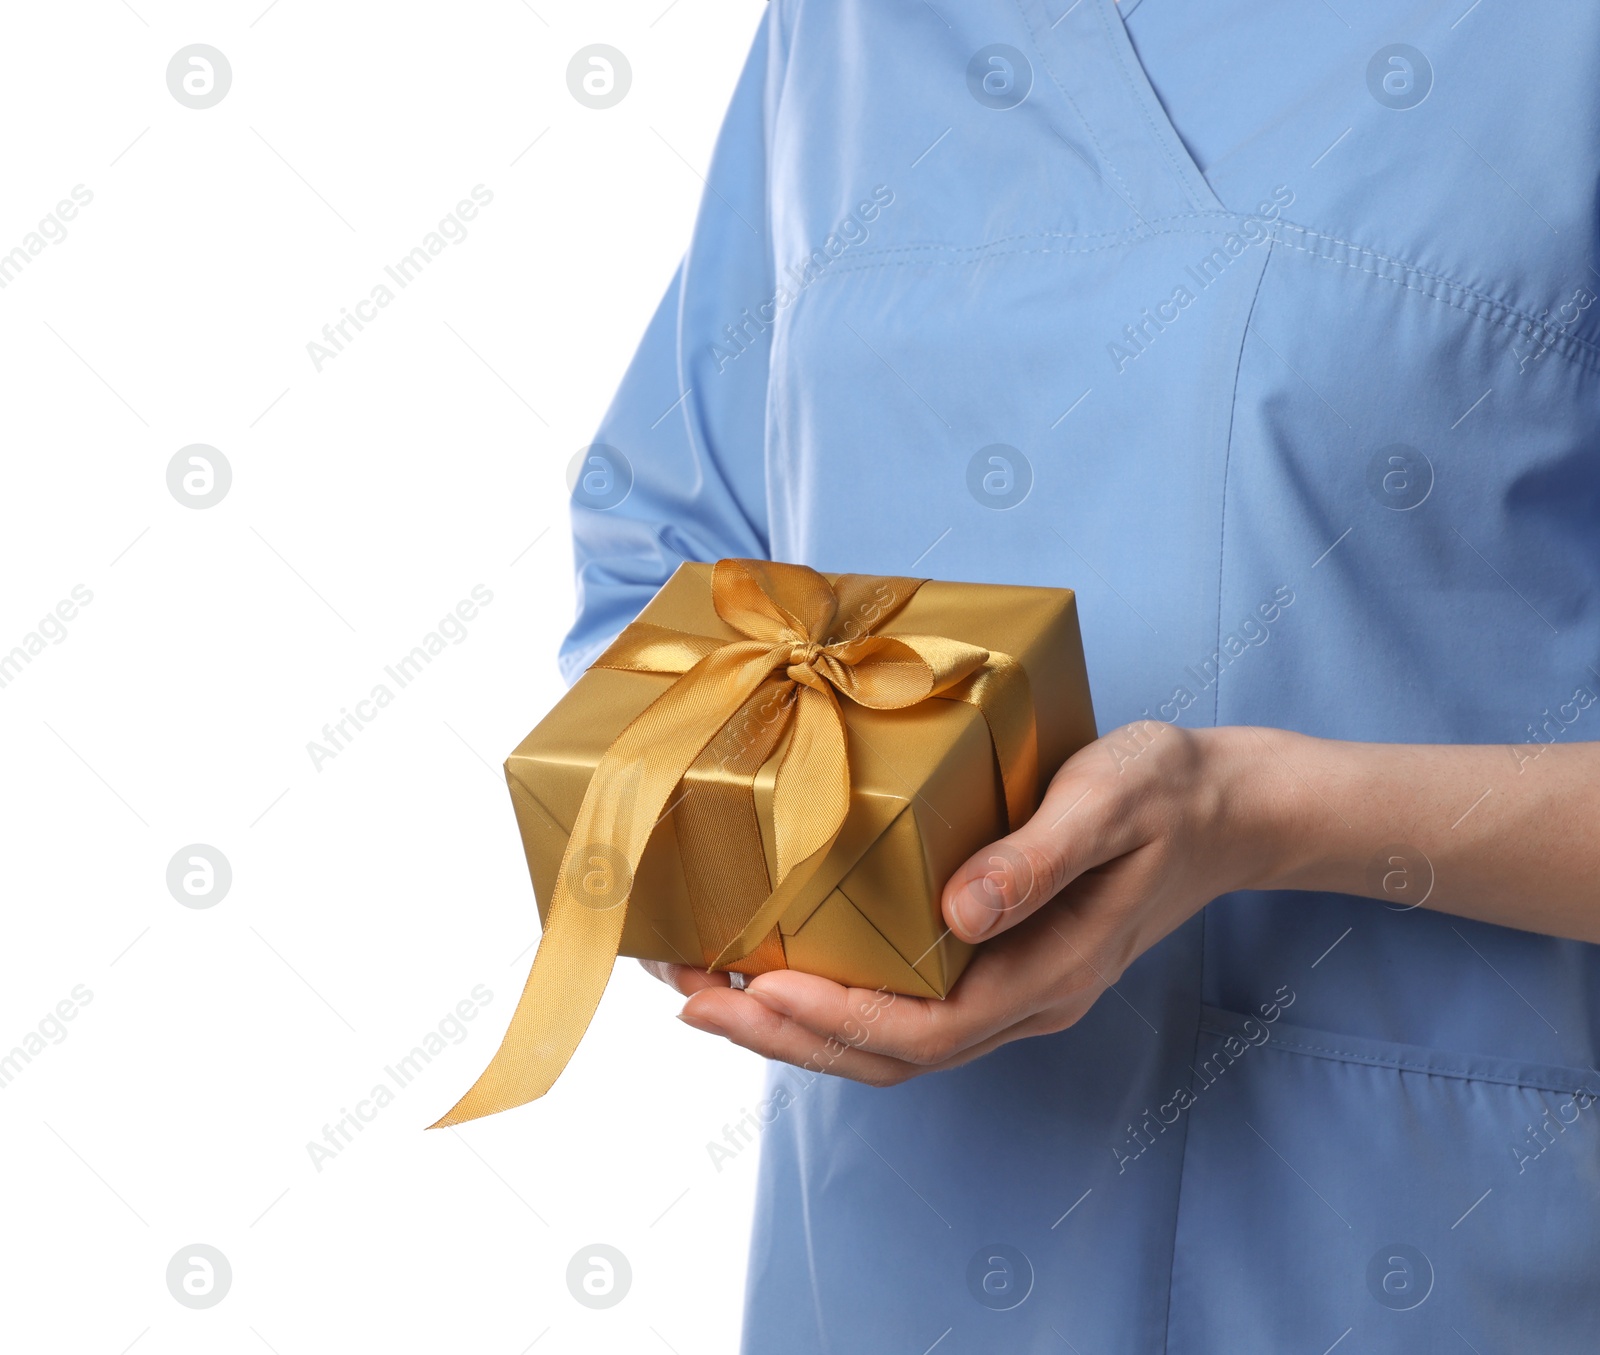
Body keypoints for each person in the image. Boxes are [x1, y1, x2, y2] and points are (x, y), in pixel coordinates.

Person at [564, 1, 1600, 1348]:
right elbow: (671, 564)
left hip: (1395, 1254)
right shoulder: (846, 29)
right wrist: (711, 853)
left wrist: (1255, 813)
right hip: (887, 1260)